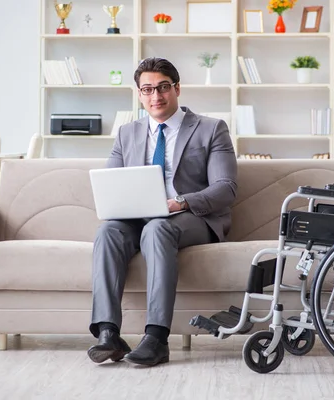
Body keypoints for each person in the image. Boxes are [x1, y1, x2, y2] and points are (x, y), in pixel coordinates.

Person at [87, 57, 237, 367]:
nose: (156, 96)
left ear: (177, 89)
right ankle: (108, 333)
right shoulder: (127, 133)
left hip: (192, 217)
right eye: (148, 89)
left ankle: (156, 337)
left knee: (158, 228)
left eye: (163, 88)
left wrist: (180, 202)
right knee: (107, 232)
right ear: (139, 94)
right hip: (138, 216)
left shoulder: (211, 129)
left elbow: (225, 188)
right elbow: (112, 184)